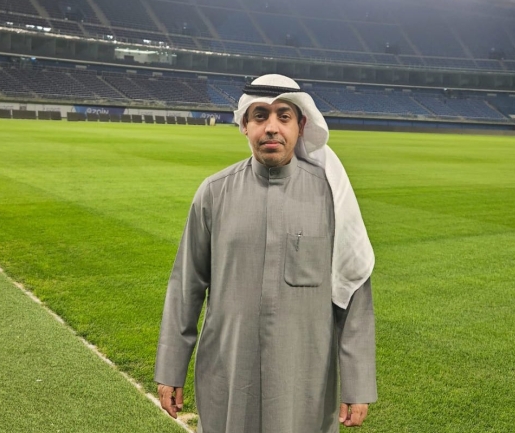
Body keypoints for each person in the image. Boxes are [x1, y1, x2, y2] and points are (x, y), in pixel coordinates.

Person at [155, 74, 377, 433]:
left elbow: (353, 293)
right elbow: (186, 286)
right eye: (260, 116)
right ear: (245, 125)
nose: (271, 127)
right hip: (228, 375)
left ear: (301, 126)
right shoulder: (214, 194)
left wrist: (358, 383)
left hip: (305, 380)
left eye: (283, 116)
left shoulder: (332, 199)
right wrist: (170, 368)